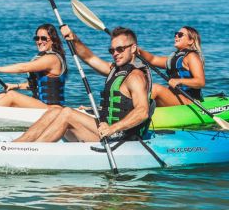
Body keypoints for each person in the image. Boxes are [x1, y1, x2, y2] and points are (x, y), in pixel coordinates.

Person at [14, 26, 152, 142]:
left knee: (67, 113)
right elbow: (89, 57)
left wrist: (113, 129)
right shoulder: (116, 70)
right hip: (105, 129)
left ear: (133, 48)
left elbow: (142, 112)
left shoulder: (136, 77)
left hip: (121, 136)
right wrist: (74, 39)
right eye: (112, 50)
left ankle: (34, 150)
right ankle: (19, 144)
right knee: (56, 110)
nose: (115, 53)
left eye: (120, 49)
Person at [0, 23, 67, 108]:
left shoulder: (52, 58)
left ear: (53, 40)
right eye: (37, 38)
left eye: (43, 38)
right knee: (5, 94)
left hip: (52, 109)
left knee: (12, 95)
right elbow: (38, 85)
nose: (39, 42)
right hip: (41, 106)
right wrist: (16, 86)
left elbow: (23, 68)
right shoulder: (44, 57)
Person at [137, 26, 205, 107]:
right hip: (174, 97)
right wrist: (138, 50)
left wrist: (179, 81)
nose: (176, 36)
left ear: (190, 41)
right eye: (176, 34)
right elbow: (153, 59)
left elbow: (201, 82)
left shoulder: (192, 56)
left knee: (156, 88)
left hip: (190, 100)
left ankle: (136, 113)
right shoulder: (174, 58)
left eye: (180, 35)